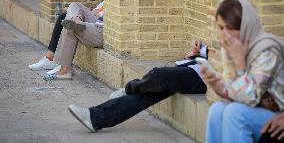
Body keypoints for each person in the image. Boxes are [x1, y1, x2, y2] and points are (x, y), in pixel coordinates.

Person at [67, 40, 207, 132]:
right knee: (148, 92)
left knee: (160, 74)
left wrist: (205, 52)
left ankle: (129, 89)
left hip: (206, 77)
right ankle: (95, 118)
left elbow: (217, 55)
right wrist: (196, 53)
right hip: (197, 69)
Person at [202, 0, 284, 143]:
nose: (224, 35)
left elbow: (251, 97)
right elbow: (233, 92)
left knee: (234, 112)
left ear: (245, 26)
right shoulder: (231, 49)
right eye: (221, 27)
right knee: (217, 109)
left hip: (277, 115)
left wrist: (240, 63)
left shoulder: (267, 50)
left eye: (230, 28)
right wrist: (217, 85)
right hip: (254, 109)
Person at [29, 0, 104, 80]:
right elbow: (95, 13)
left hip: (103, 30)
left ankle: (61, 67)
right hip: (94, 22)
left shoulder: (119, 3)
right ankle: (76, 21)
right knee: (73, 6)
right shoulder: (107, 1)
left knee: (69, 26)